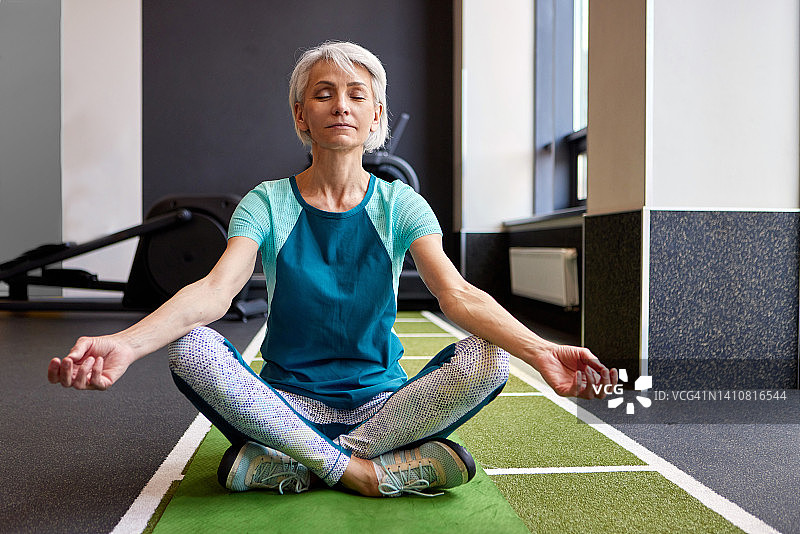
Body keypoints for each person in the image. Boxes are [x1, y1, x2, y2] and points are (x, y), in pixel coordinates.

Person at [48, 41, 617, 498]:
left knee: (493, 356)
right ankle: (368, 470)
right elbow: (216, 292)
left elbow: (459, 296)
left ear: (376, 116)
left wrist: (540, 350)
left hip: (383, 403)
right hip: (285, 401)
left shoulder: (401, 205)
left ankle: (299, 461)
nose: (340, 105)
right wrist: (125, 344)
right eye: (323, 94)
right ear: (302, 114)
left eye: (355, 94)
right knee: (189, 346)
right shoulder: (267, 202)